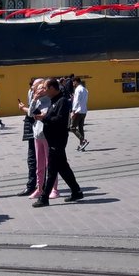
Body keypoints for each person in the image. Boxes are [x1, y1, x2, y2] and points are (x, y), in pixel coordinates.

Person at [31, 78, 83, 206]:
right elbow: (50, 117)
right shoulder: (53, 101)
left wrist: (44, 117)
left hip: (57, 140)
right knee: (63, 167)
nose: (44, 91)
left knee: (52, 170)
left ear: (53, 88)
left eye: (46, 88)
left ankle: (44, 198)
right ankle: (76, 191)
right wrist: (41, 116)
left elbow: (60, 120)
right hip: (52, 139)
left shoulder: (63, 101)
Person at [69, 75, 89, 150]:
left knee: (72, 127)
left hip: (78, 111)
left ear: (76, 82)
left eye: (73, 82)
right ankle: (81, 145)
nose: (72, 84)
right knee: (81, 128)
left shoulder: (77, 89)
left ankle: (83, 140)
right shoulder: (85, 89)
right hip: (84, 111)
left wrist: (73, 111)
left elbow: (76, 101)